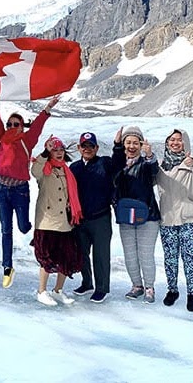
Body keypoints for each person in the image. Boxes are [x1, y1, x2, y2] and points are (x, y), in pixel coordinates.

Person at [0, 95, 59, 288]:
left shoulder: (27, 140)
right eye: (9, 123)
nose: (11, 126)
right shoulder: (1, 137)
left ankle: (37, 234)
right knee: (6, 230)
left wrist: (48, 108)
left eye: (15, 123)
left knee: (23, 227)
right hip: (2, 190)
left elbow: (38, 125)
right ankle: (7, 268)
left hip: (19, 191)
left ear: (22, 126)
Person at [69, 129, 125, 303]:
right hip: (80, 219)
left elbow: (119, 163)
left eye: (91, 146)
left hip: (100, 217)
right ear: (79, 148)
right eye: (84, 146)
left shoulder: (104, 163)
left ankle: (101, 288)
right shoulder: (74, 168)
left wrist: (117, 146)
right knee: (82, 253)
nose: (87, 149)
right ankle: (87, 283)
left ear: (96, 147)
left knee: (101, 255)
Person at [156, 129, 193, 312]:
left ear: (185, 143)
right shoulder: (161, 164)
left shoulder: (192, 162)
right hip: (168, 217)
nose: (175, 143)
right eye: (172, 140)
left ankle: (192, 293)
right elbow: (150, 180)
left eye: (179, 140)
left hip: (190, 217)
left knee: (189, 257)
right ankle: (172, 290)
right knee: (170, 257)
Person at [30, 136, 83, 306]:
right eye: (55, 150)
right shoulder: (44, 169)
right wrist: (45, 152)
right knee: (46, 258)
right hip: (47, 221)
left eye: (61, 150)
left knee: (67, 257)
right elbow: (34, 171)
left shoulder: (66, 170)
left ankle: (58, 290)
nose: (59, 153)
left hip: (64, 222)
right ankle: (42, 291)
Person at [113, 126, 160, 304]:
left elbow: (154, 171)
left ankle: (149, 287)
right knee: (130, 254)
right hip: (126, 216)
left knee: (145, 254)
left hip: (147, 216)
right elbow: (113, 175)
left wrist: (150, 156)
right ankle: (136, 286)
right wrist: (116, 145)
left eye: (135, 142)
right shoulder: (118, 164)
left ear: (141, 145)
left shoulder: (146, 164)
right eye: (128, 142)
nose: (131, 146)